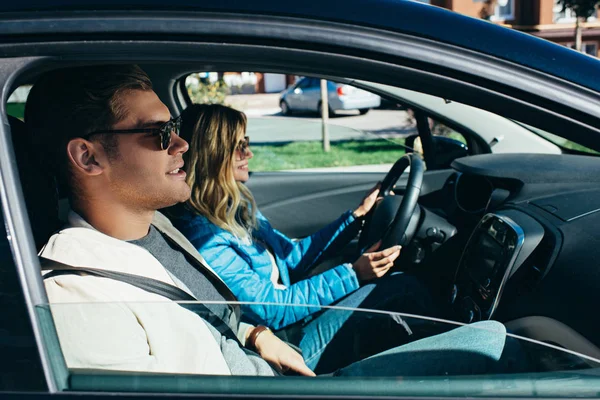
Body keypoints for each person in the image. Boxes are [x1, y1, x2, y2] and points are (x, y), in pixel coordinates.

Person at [25, 64, 522, 379]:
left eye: (175, 129)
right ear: (88, 158)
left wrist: (255, 336)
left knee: (496, 341)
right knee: (499, 347)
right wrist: (350, 276)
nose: (181, 145)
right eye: (159, 134)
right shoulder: (80, 295)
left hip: (275, 361)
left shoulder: (157, 229)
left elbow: (227, 310)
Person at [168, 104, 438, 372]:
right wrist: (354, 274)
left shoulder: (235, 207)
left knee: (395, 289)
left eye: (246, 143)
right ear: (213, 155)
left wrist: (354, 218)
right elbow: (272, 309)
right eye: (239, 146)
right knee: (402, 288)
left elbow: (291, 257)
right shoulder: (203, 235)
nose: (248, 152)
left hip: (294, 320)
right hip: (285, 344)